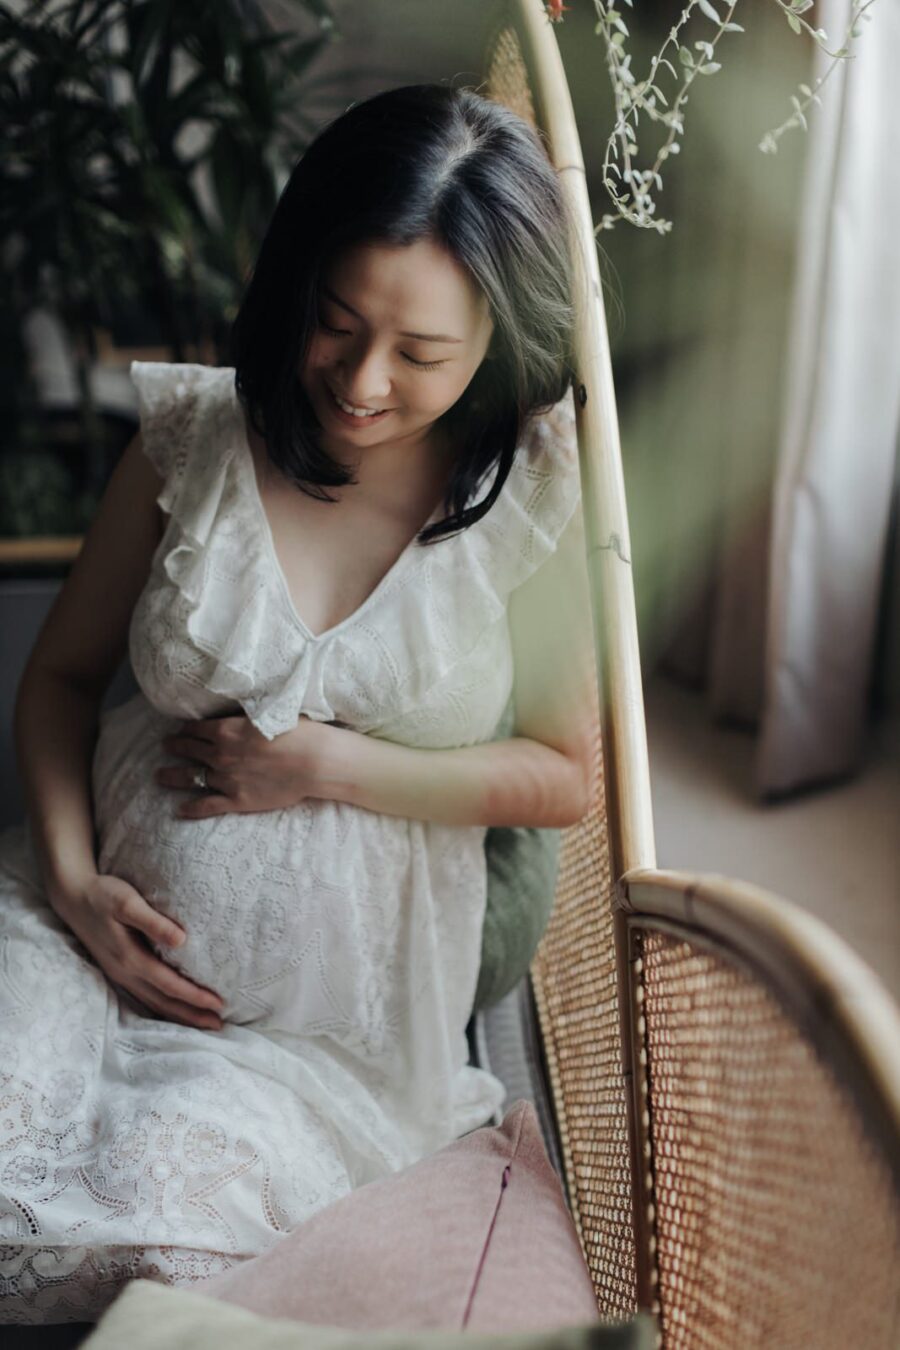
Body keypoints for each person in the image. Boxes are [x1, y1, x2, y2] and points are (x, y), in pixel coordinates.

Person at [0, 83, 594, 1323]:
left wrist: (323, 768)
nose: (364, 381)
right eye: (337, 324)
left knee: (182, 1250)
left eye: (421, 354)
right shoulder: (196, 435)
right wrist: (70, 882)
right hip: (77, 930)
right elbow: (57, 679)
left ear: (499, 340)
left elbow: (562, 773)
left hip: (330, 1044)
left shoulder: (535, 498)